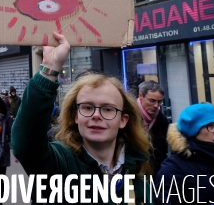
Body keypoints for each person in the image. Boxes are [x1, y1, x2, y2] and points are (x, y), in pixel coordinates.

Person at [11, 32, 153, 203]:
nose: (96, 115)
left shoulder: (138, 170)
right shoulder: (61, 163)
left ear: (123, 120)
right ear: (75, 115)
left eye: (108, 109)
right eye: (87, 107)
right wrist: (50, 68)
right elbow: (26, 145)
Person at [137, 80, 169, 175]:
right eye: (152, 101)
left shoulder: (162, 121)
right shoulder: (129, 117)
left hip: (155, 173)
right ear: (141, 96)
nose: (156, 106)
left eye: (159, 102)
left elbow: (163, 152)